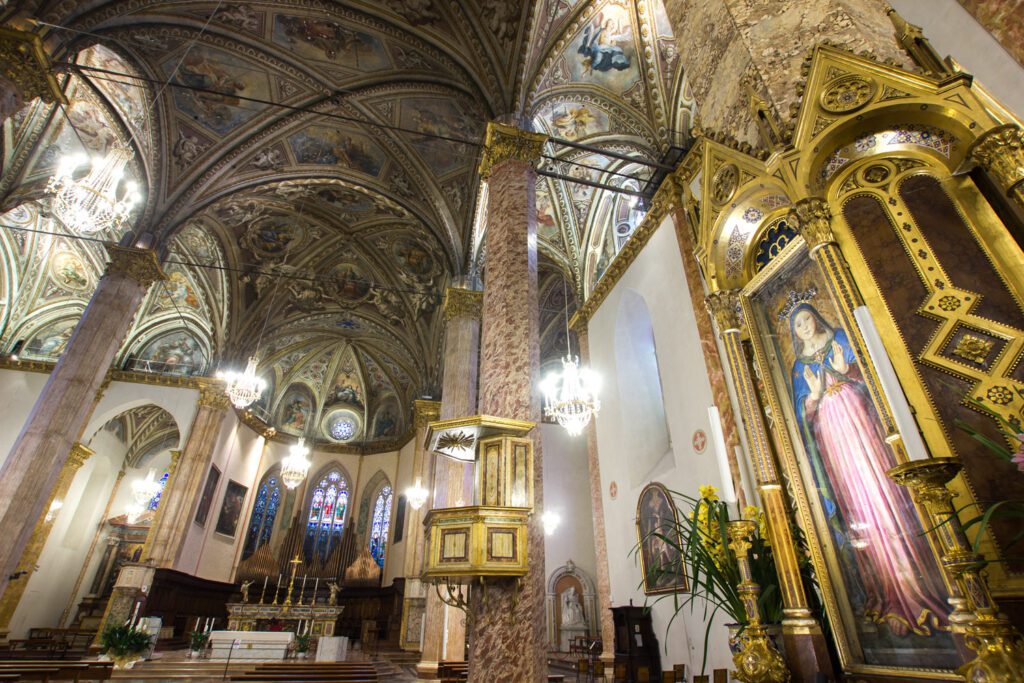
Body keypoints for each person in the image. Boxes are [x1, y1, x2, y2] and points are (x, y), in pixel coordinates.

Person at [789, 302, 949, 637]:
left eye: (807, 320)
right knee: (857, 505)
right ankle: (886, 592)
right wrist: (814, 398)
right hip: (835, 443)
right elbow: (802, 415)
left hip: (864, 428)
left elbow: (870, 377)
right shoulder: (798, 369)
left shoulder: (840, 341)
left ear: (816, 319)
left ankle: (919, 589)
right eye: (798, 325)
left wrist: (846, 373)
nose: (805, 328)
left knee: (885, 496)